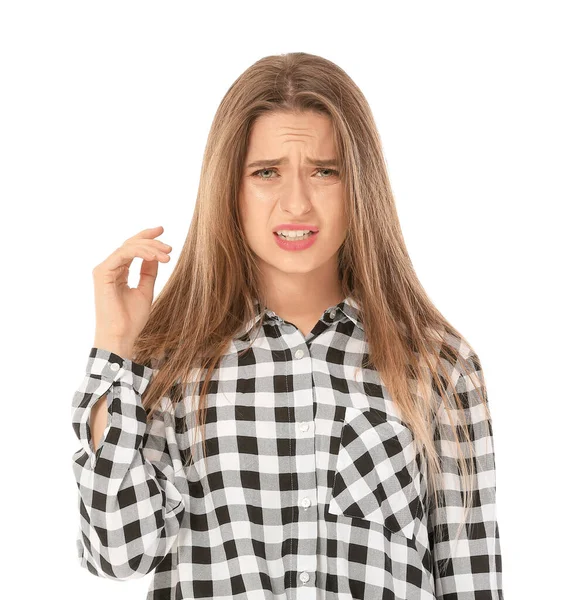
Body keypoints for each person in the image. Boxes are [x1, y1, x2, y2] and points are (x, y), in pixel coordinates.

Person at [70, 52, 503, 600]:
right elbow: (117, 554)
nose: (296, 202)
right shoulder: (171, 365)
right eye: (266, 172)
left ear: (359, 188)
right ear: (229, 187)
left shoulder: (441, 366)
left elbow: (473, 582)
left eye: (324, 171)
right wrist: (117, 357)